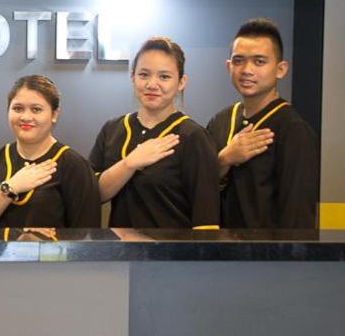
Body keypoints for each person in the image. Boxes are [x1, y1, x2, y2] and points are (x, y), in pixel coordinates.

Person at [89, 37, 220, 229]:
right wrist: (129, 164)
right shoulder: (113, 129)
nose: (152, 84)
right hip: (121, 253)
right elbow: (92, 195)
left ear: (181, 82)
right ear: (133, 77)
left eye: (164, 77)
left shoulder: (192, 136)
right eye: (144, 75)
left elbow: (206, 218)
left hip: (172, 255)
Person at [205, 18, 318, 228]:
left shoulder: (293, 129)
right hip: (217, 252)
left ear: (281, 69)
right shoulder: (220, 122)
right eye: (238, 61)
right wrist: (224, 159)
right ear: (228, 66)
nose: (247, 70)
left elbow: (297, 216)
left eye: (259, 61)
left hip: (265, 257)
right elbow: (199, 192)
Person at [0, 75, 100, 228]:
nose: (26, 117)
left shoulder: (74, 165)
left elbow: (86, 235)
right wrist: (10, 187)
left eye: (36, 109)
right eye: (18, 108)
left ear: (54, 115)